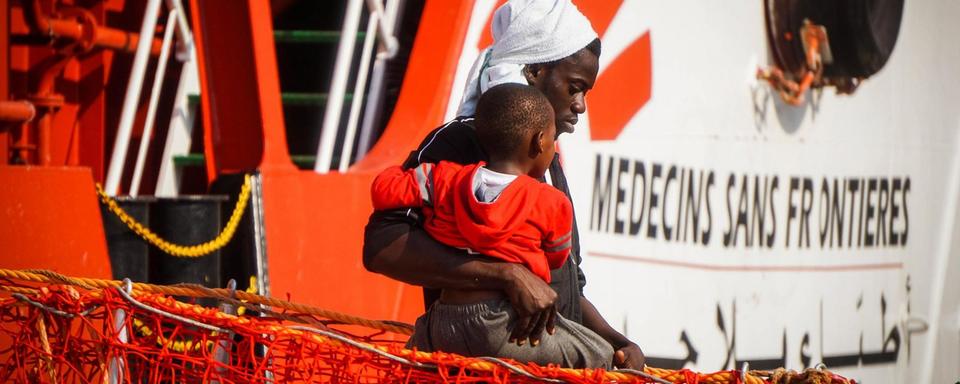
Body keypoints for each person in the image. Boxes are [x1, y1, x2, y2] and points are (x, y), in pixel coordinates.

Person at [362, 0, 645, 369]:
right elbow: (382, 247)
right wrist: (506, 276)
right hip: (476, 367)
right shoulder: (458, 143)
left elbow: (565, 285)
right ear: (534, 72)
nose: (580, 106)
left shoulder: (549, 163)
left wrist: (618, 342)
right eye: (574, 88)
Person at [370, 84, 613, 368]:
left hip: (442, 321)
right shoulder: (550, 201)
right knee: (600, 354)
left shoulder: (445, 179)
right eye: (551, 142)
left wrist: (403, 171)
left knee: (415, 366)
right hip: (503, 324)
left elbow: (384, 190)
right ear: (538, 142)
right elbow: (559, 257)